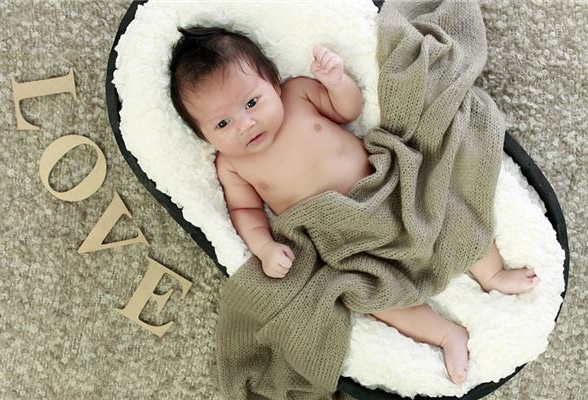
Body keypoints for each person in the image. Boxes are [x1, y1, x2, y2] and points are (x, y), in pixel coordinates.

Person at [169, 26, 539, 384]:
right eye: (222, 124)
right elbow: (245, 212)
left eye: (252, 103)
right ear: (204, 135)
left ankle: (491, 273)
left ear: (274, 82)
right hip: (341, 238)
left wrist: (335, 81)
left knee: (444, 208)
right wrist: (265, 248)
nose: (245, 124)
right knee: (368, 294)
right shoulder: (232, 165)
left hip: (384, 190)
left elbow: (346, 110)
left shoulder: (297, 94)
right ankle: (444, 334)